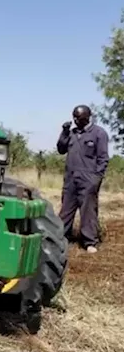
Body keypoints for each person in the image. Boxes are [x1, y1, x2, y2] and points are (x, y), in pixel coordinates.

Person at [56, 104, 109, 253]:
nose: (75, 119)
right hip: (70, 178)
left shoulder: (99, 133)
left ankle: (89, 242)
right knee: (66, 210)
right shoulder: (71, 133)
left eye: (78, 117)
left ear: (87, 117)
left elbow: (103, 158)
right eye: (74, 116)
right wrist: (64, 132)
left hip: (88, 178)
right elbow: (61, 149)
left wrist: (96, 178)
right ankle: (61, 238)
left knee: (88, 211)